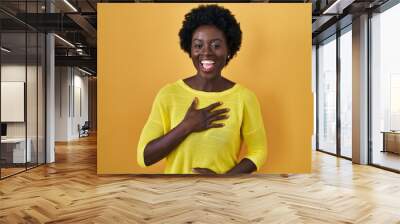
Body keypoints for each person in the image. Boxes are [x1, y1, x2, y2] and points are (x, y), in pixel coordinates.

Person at [137, 4, 267, 174]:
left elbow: (259, 151)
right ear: (190, 50)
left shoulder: (244, 98)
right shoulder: (168, 94)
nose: (206, 52)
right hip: (174, 196)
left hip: (221, 198)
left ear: (229, 50)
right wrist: (186, 126)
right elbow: (143, 157)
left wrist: (224, 181)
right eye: (198, 45)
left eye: (216, 45)